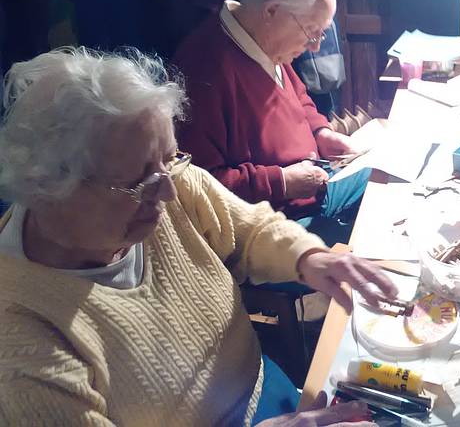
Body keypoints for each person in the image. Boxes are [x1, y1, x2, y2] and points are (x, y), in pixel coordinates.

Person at [0, 47, 396, 425]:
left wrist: (309, 257)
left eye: (169, 158)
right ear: (49, 189)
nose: (169, 191)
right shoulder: (21, 344)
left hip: (264, 385)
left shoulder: (160, 176)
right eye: (139, 181)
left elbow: (249, 227)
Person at [174, 0, 366, 246]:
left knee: (384, 177)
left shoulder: (264, 41)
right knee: (370, 248)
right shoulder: (205, 69)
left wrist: (321, 133)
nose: (315, 45)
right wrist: (283, 182)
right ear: (272, 10)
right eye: (311, 31)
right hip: (268, 226)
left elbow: (299, 98)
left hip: (312, 188)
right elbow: (199, 187)